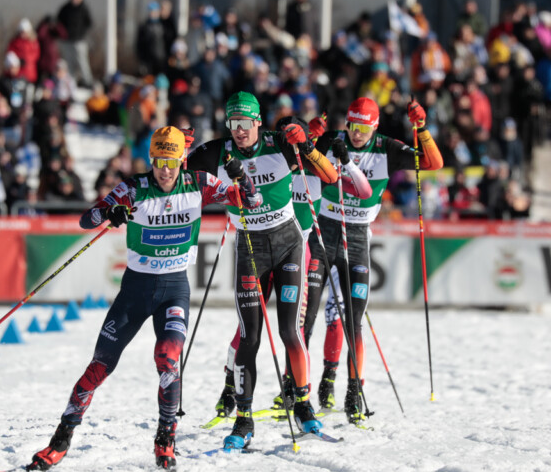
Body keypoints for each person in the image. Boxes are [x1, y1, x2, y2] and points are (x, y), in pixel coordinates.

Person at [27, 126, 261, 472]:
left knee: (167, 359)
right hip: (135, 292)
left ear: (181, 159)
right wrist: (110, 212)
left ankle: (166, 437)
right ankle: (61, 438)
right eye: (158, 160)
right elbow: (86, 219)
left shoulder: (198, 183)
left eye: (170, 161)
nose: (164, 169)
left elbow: (251, 202)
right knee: (99, 366)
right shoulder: (134, 188)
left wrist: (244, 179)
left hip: (173, 290)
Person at [186, 92, 339, 447]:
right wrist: (180, 151)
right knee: (249, 336)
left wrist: (308, 147)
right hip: (250, 250)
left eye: (246, 123)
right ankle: (243, 419)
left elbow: (329, 177)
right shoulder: (217, 152)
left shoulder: (279, 144)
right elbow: (175, 177)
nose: (239, 131)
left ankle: (303, 406)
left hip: (288, 246)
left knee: (290, 332)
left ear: (258, 122)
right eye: (233, 123)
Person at [210, 114, 372, 422]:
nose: (290, 147)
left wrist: (343, 161)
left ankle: (295, 391)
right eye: (287, 141)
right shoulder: (270, 160)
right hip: (259, 246)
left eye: (294, 141)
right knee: (247, 330)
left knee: (299, 326)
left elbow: (359, 190)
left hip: (300, 251)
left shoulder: (312, 163)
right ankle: (230, 386)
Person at [302, 97, 443, 425]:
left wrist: (421, 128)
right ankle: (300, 388)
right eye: (353, 127)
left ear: (374, 127)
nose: (357, 135)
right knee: (306, 317)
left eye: (364, 129)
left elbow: (432, 163)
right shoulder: (333, 140)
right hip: (323, 235)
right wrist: (310, 135)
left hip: (358, 239)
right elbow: (297, 158)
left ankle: (354, 391)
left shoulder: (386, 148)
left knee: (353, 321)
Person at [56, 0, 93, 87]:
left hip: (79, 40)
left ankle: (87, 81)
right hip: (67, 41)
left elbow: (89, 23)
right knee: (69, 63)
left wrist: (81, 34)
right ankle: (71, 83)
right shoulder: (66, 8)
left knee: (82, 62)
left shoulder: (84, 8)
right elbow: (58, 22)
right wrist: (62, 34)